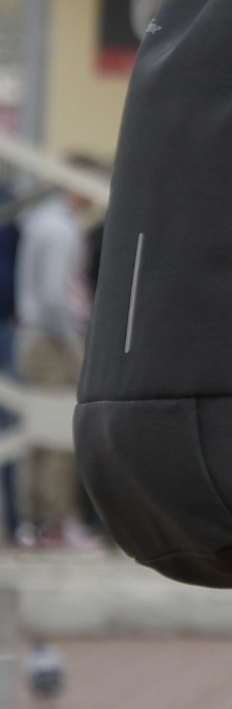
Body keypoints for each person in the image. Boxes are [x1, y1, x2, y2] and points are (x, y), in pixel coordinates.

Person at [11, 185, 90, 548]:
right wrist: (72, 343)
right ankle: (56, 523)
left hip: (33, 336)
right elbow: (53, 297)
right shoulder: (61, 229)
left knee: (37, 438)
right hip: (52, 341)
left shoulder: (40, 223)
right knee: (57, 436)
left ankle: (34, 523)